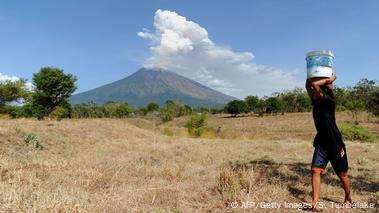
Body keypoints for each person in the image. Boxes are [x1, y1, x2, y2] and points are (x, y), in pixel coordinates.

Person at [305, 73, 352, 212]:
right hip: (321, 142)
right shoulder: (316, 101)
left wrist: (329, 80)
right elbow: (310, 84)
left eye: (313, 91)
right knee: (315, 170)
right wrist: (311, 76)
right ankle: (315, 202)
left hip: (335, 143)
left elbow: (314, 85)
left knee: (342, 174)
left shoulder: (328, 101)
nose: (311, 92)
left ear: (322, 91)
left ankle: (348, 198)